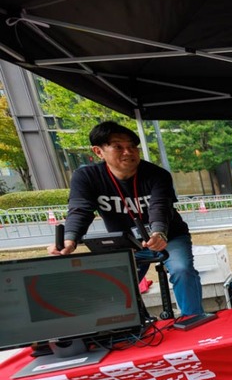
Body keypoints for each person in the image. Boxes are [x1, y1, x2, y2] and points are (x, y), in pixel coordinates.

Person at [48, 121, 205, 317]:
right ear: (98, 151)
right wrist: (69, 239)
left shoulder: (158, 175)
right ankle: (134, 326)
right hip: (125, 242)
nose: (128, 152)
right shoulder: (86, 177)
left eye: (132, 146)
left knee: (182, 270)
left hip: (168, 237)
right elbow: (80, 210)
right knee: (114, 282)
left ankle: (193, 319)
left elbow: (160, 206)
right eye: (118, 147)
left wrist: (158, 232)